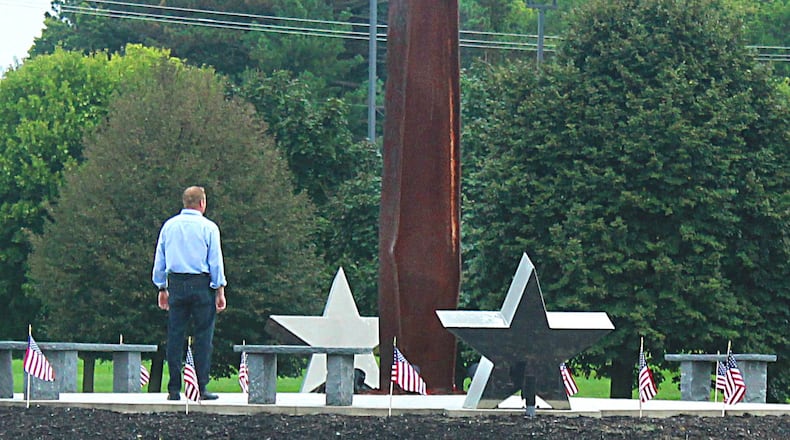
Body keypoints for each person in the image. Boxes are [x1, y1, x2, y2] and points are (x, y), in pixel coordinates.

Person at [152, 186, 227, 401]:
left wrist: (161, 287)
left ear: (185, 203)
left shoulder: (170, 226)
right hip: (201, 284)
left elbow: (161, 259)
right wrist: (219, 290)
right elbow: (215, 261)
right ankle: (200, 387)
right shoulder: (209, 228)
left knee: (175, 335)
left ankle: (174, 388)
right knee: (204, 336)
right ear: (202, 203)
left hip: (176, 283)